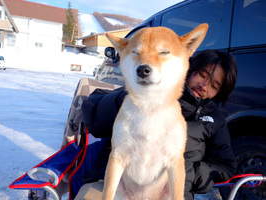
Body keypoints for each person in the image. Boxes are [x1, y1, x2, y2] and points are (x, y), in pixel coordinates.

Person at [79, 49, 238, 200]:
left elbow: (225, 167)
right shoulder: (154, 87)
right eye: (203, 75)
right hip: (116, 184)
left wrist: (188, 172)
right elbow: (93, 112)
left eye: (214, 86)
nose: (204, 86)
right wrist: (127, 99)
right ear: (190, 68)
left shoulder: (214, 119)